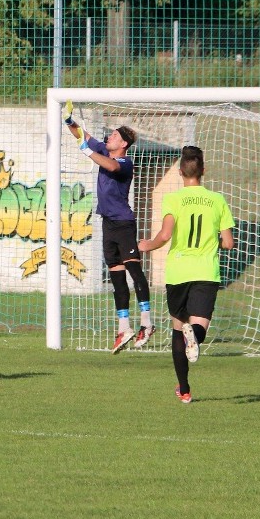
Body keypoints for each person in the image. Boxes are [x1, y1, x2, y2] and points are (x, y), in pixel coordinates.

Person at [139, 146, 234, 403]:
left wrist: (147, 245)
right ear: (203, 171)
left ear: (181, 172)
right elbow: (228, 243)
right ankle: (196, 336)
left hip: (179, 271)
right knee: (197, 328)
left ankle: (184, 389)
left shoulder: (173, 199)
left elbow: (166, 235)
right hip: (206, 271)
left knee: (178, 328)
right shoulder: (217, 200)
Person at [63, 100, 156, 353]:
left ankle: (147, 323)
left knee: (134, 272)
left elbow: (111, 166)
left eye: (114, 135)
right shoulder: (103, 151)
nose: (109, 137)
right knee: (116, 277)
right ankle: (123, 327)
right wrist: (70, 121)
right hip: (107, 224)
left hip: (124, 224)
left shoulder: (124, 163)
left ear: (123, 144)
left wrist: (88, 153)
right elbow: (84, 136)